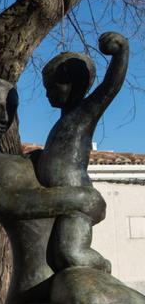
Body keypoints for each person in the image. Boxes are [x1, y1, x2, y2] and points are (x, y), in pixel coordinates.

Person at [0, 78, 145, 304]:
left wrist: (89, 201)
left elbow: (88, 193)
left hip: (69, 272)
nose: (4, 118)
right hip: (27, 296)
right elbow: (11, 204)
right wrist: (79, 199)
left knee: (86, 298)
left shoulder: (34, 160)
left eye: (10, 110)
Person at [36, 32, 129, 274]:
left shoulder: (83, 114)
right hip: (60, 200)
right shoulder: (62, 122)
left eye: (51, 87)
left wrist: (121, 51)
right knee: (56, 258)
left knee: (70, 253)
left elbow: (110, 87)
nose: (47, 94)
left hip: (79, 200)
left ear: (72, 82)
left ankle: (103, 269)